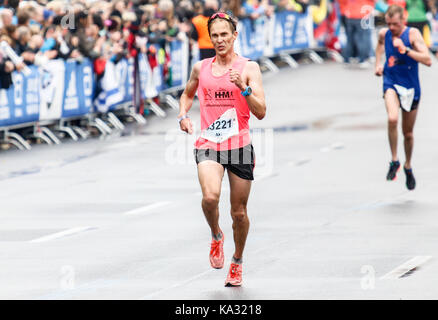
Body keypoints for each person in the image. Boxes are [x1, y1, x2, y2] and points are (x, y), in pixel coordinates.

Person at [178, 12, 266, 287]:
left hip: (239, 145)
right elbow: (187, 93)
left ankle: (237, 260)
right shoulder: (200, 68)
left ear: (234, 36)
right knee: (209, 198)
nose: (219, 40)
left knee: (238, 213)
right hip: (209, 143)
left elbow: (261, 112)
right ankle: (216, 236)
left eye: (224, 35)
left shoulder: (249, 68)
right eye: (214, 35)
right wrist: (183, 115)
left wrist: (244, 89)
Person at [374, 4, 432, 190]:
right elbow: (380, 46)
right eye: (389, 24)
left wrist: (406, 50)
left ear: (403, 21)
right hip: (391, 80)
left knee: (407, 134)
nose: (392, 28)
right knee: (392, 119)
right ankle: (394, 160)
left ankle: (408, 165)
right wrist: (378, 64)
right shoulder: (384, 34)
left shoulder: (413, 35)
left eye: (395, 24)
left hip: (410, 86)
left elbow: (428, 60)